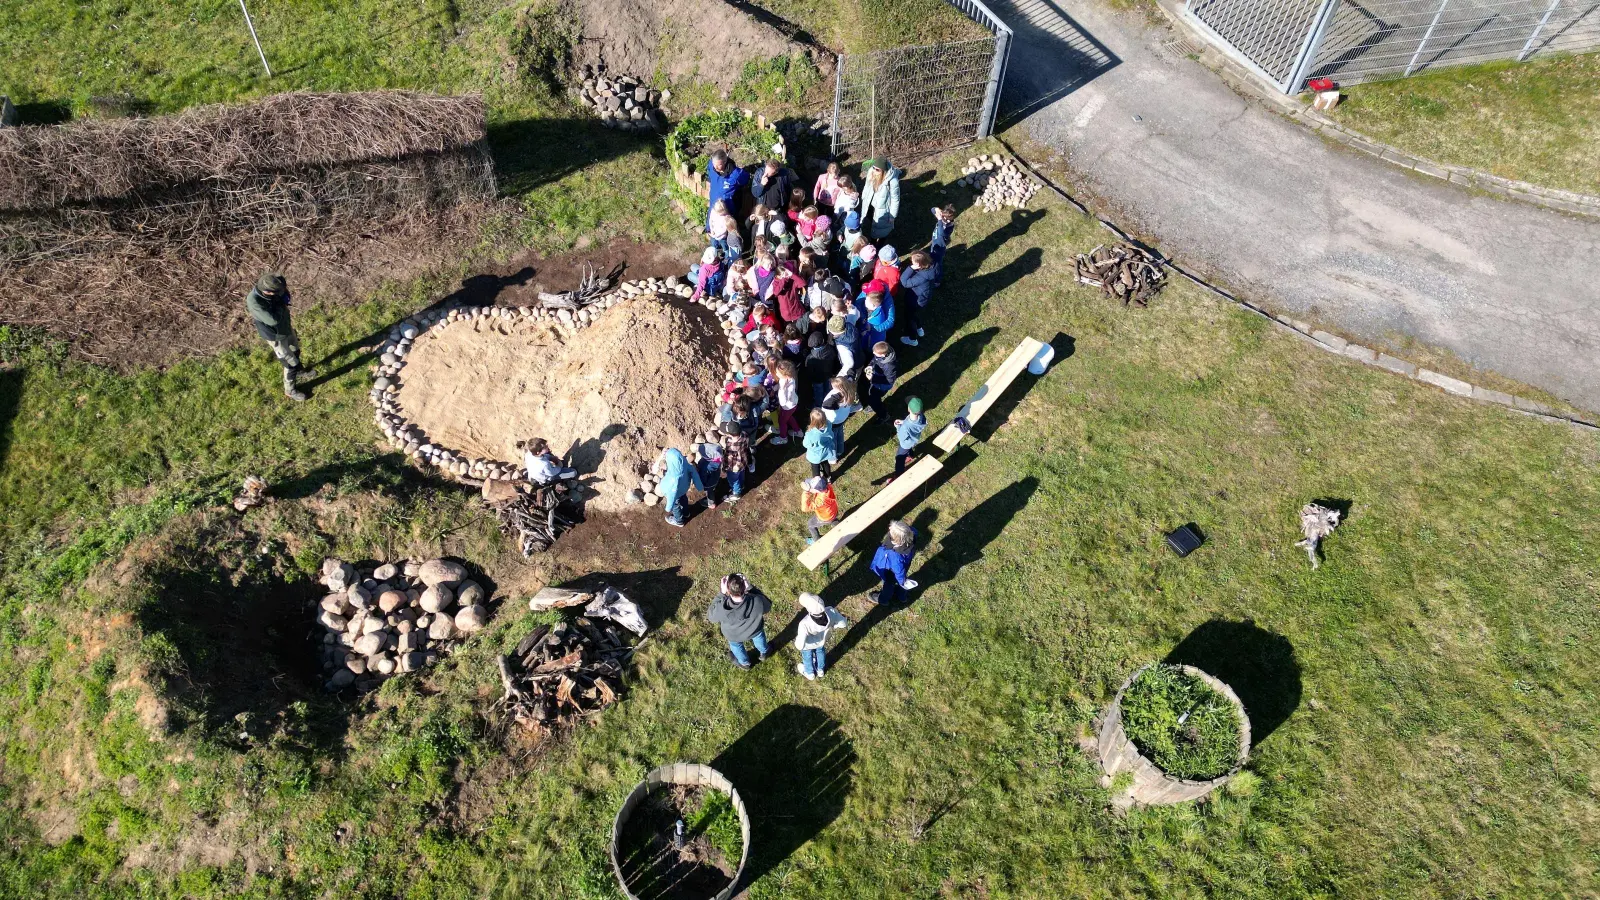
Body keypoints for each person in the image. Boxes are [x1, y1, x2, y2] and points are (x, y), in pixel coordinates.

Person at [245, 271, 310, 401]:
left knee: (295, 350)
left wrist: (284, 294)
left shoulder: (272, 283)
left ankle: (300, 371)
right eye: (277, 293)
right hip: (275, 335)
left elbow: (282, 284)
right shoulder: (254, 302)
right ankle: (290, 390)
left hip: (285, 326)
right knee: (289, 363)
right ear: (267, 292)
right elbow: (272, 320)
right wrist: (282, 304)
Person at [707, 573, 771, 669]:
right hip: (755, 629)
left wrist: (721, 594)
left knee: (736, 646)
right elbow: (768, 605)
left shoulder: (722, 608)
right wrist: (751, 588)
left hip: (734, 635)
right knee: (759, 637)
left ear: (728, 590)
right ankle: (764, 652)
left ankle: (745, 664)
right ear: (744, 587)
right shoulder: (756, 600)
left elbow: (711, 616)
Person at [794, 592, 848, 681]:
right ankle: (820, 670)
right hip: (822, 641)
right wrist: (834, 625)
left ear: (808, 609)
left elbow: (799, 645)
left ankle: (809, 673)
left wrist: (797, 642)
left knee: (807, 656)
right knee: (820, 652)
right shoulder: (831, 611)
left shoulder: (804, 624)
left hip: (808, 645)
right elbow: (843, 624)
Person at [869, 520, 919, 606]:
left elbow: (899, 571)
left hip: (891, 571)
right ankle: (902, 596)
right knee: (902, 581)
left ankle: (883, 599)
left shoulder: (895, 555)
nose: (889, 528)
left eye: (891, 531)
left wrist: (902, 581)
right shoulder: (912, 535)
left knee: (890, 584)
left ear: (897, 541)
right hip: (905, 565)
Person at [656, 447, 705, 528]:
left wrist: (668, 507)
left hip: (676, 493)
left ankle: (679, 521)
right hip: (683, 489)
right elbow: (695, 474)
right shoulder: (685, 464)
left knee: (675, 506)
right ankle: (686, 513)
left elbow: (672, 494)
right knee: (684, 499)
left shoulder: (674, 480)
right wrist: (699, 487)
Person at [897, 250, 935, 347]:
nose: (911, 262)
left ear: (918, 264)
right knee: (915, 315)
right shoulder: (930, 267)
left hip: (915, 300)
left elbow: (904, 282)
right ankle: (919, 328)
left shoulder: (921, 277)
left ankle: (912, 338)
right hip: (924, 298)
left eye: (913, 261)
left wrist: (910, 268)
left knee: (909, 319)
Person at [859, 159, 902, 241]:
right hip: (870, 204)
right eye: (873, 168)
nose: (874, 171)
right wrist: (864, 197)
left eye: (877, 170)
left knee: (883, 229)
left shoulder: (892, 181)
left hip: (883, 210)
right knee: (872, 221)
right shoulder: (871, 173)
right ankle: (873, 240)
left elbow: (895, 199)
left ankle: (878, 245)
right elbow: (867, 186)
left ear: (883, 171)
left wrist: (892, 216)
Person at [706, 150, 749, 230]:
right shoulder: (711, 165)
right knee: (711, 228)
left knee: (724, 232)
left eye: (718, 165)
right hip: (713, 205)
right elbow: (709, 171)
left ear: (725, 161)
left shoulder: (736, 174)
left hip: (726, 209)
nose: (715, 167)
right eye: (714, 164)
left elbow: (745, 179)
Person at [890, 397, 925, 480]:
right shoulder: (921, 416)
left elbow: (901, 437)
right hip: (914, 439)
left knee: (899, 458)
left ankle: (898, 475)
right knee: (909, 447)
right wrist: (903, 422)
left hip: (905, 444)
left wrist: (898, 426)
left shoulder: (905, 427)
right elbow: (910, 423)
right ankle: (910, 455)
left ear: (909, 409)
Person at [821, 376, 859, 453]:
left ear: (840, 389)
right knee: (840, 434)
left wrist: (836, 406)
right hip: (842, 418)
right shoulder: (849, 391)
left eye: (835, 387)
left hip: (833, 421)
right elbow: (851, 372)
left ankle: (834, 454)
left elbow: (826, 404)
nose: (833, 388)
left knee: (833, 438)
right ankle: (840, 450)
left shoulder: (839, 397)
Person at [718, 420, 751, 502]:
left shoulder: (731, 446)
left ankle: (736, 493)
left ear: (729, 434)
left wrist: (724, 468)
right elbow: (746, 447)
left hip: (734, 468)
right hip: (743, 462)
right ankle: (741, 485)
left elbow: (728, 459)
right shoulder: (744, 434)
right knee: (741, 474)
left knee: (733, 480)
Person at [864, 340, 898, 419]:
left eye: (875, 353)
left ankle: (884, 416)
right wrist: (870, 365)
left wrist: (873, 378)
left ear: (883, 355)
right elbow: (875, 359)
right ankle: (874, 403)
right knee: (873, 395)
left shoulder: (889, 366)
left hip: (882, 385)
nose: (873, 353)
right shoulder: (882, 354)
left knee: (873, 399)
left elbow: (889, 381)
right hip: (877, 379)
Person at [801, 476, 839, 545]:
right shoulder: (827, 486)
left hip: (825, 517)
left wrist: (806, 492)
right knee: (833, 518)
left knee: (810, 524)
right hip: (834, 511)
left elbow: (805, 508)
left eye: (811, 488)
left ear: (818, 491)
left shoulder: (820, 501)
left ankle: (817, 540)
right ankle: (835, 523)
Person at [803, 408, 837, 482]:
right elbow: (831, 434)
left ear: (813, 421)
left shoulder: (811, 434)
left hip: (815, 455)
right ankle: (828, 478)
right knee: (825, 464)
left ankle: (818, 482)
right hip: (825, 452)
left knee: (815, 468)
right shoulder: (829, 424)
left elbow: (805, 444)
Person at [773, 359, 802, 445]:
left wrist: (781, 389)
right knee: (789, 417)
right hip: (793, 404)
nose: (776, 373)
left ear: (784, 374)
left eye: (777, 372)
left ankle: (783, 438)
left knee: (782, 421)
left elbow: (783, 402)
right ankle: (798, 431)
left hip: (787, 407)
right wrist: (777, 387)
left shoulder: (787, 387)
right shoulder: (789, 378)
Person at [930, 204, 955, 287]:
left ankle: (937, 280)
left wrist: (940, 220)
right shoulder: (942, 220)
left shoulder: (948, 227)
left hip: (940, 248)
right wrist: (937, 209)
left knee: (937, 265)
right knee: (932, 260)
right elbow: (932, 209)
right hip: (935, 244)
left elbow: (941, 233)